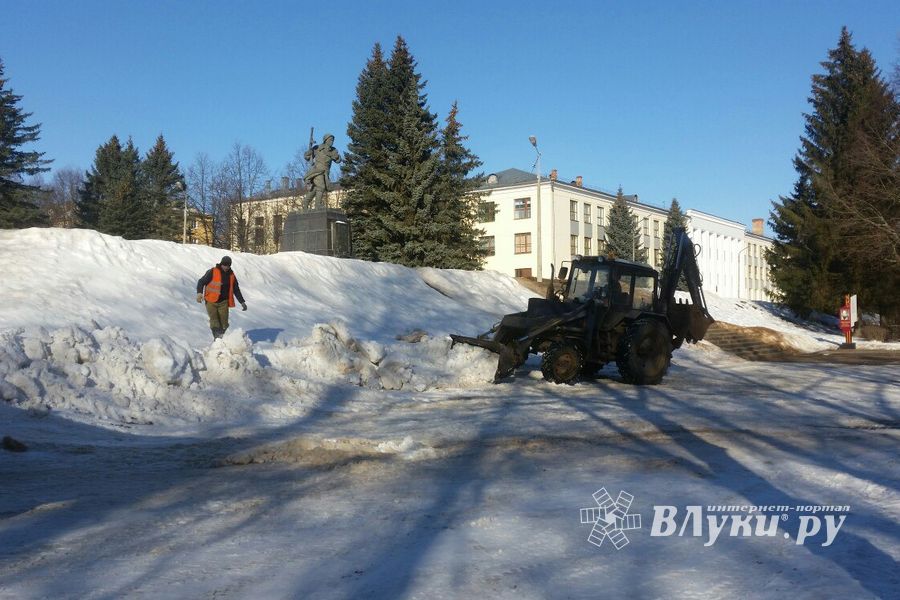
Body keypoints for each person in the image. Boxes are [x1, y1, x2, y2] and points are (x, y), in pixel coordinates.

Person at [196, 256, 247, 339]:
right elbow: (201, 281)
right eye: (224, 265)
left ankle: (221, 337)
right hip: (211, 301)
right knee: (214, 320)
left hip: (224, 302)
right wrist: (199, 293)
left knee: (224, 323)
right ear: (221, 264)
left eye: (228, 265)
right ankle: (217, 339)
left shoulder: (231, 275)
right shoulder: (213, 271)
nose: (226, 267)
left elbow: (236, 289)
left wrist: (242, 302)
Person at [302, 133, 342, 210]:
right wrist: (309, 151)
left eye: (332, 140)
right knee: (321, 186)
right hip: (317, 171)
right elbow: (307, 157)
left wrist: (337, 157)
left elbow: (338, 160)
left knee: (315, 189)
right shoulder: (318, 148)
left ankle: (306, 202)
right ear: (325, 140)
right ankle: (318, 205)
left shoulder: (333, 150)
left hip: (326, 172)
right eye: (330, 140)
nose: (331, 142)